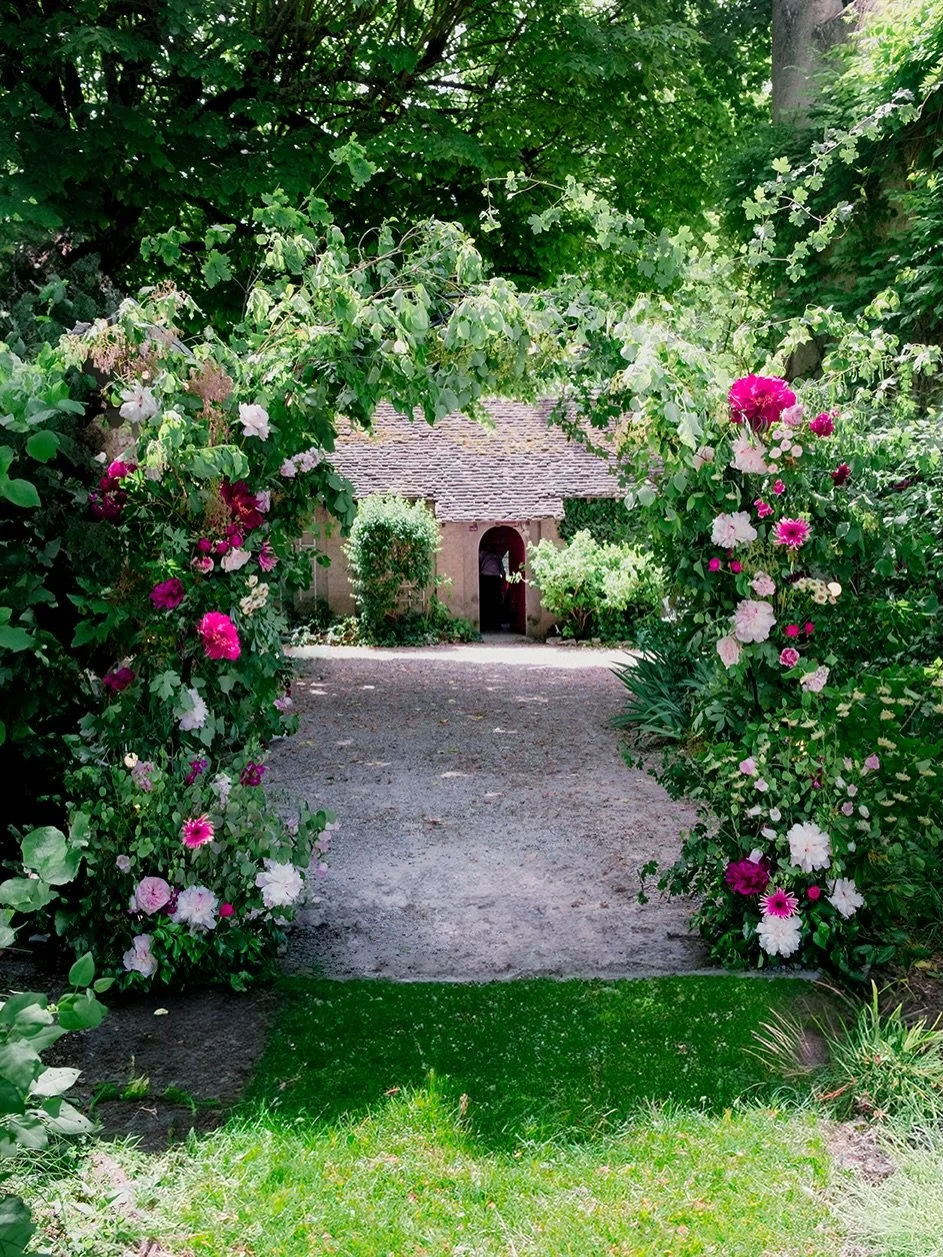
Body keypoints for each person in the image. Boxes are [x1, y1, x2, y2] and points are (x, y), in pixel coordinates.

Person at [479, 541, 506, 631]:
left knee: (485, 601)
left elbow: (477, 564)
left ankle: (484, 624)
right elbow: (502, 570)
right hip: (495, 579)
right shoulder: (497, 557)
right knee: (495, 602)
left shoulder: (482, 554)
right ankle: (496, 624)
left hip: (485, 578)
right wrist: (503, 579)